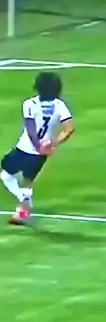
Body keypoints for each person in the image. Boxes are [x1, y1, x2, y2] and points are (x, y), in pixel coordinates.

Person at [0, 72, 75, 225]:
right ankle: (22, 212)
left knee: (5, 173)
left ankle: (22, 202)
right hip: (42, 153)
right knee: (27, 181)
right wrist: (53, 144)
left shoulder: (29, 103)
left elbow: (30, 128)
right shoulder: (60, 105)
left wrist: (37, 145)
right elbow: (69, 128)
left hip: (25, 149)